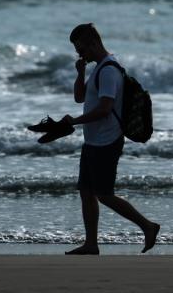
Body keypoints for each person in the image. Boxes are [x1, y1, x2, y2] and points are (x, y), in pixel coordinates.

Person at [59, 23, 160, 255]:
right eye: (76, 49)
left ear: (93, 42)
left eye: (80, 48)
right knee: (86, 191)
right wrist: (80, 72)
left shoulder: (108, 70)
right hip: (93, 141)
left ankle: (148, 226)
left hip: (106, 142)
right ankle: (91, 244)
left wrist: (74, 122)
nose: (79, 53)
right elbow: (79, 97)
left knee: (104, 195)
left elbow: (105, 109)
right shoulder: (98, 68)